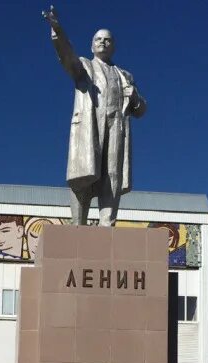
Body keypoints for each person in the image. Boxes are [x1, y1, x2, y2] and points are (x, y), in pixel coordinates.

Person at [43, 7, 146, 227]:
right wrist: (57, 29)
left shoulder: (124, 75)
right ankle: (78, 225)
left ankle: (106, 225)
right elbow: (66, 56)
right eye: (98, 39)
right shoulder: (85, 66)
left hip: (116, 127)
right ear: (92, 45)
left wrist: (135, 97)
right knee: (83, 176)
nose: (102, 42)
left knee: (112, 176)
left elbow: (140, 111)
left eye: (107, 40)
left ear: (113, 46)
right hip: (91, 125)